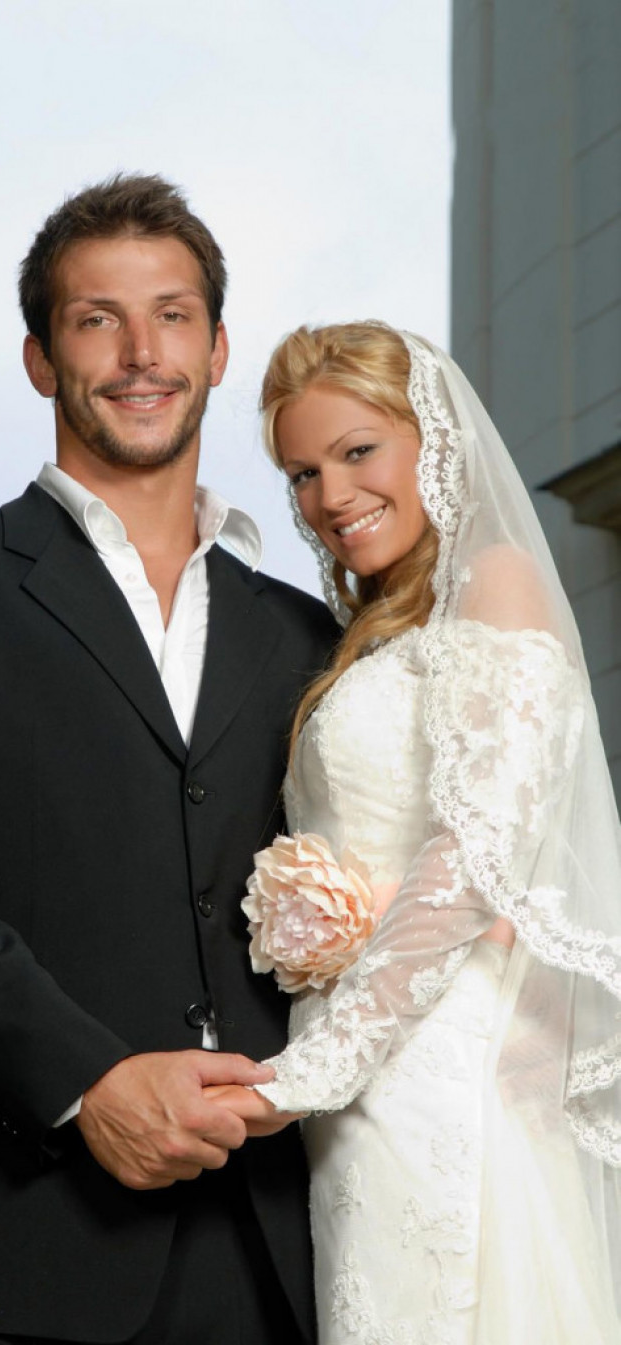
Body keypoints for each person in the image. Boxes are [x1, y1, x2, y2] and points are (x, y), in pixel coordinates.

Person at [0, 174, 337, 1345]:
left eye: (173, 315)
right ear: (41, 359)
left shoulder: (309, 635)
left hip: (268, 1257)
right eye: (98, 319)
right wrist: (88, 1083)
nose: (141, 353)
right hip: (9, 1254)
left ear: (217, 349)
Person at [217, 321, 621, 1342]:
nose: (331, 495)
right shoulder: (377, 625)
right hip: (356, 1091)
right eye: (303, 472)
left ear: (433, 439)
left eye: (358, 451)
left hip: (436, 1063)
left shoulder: (499, 580)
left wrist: (315, 1069)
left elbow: (477, 853)